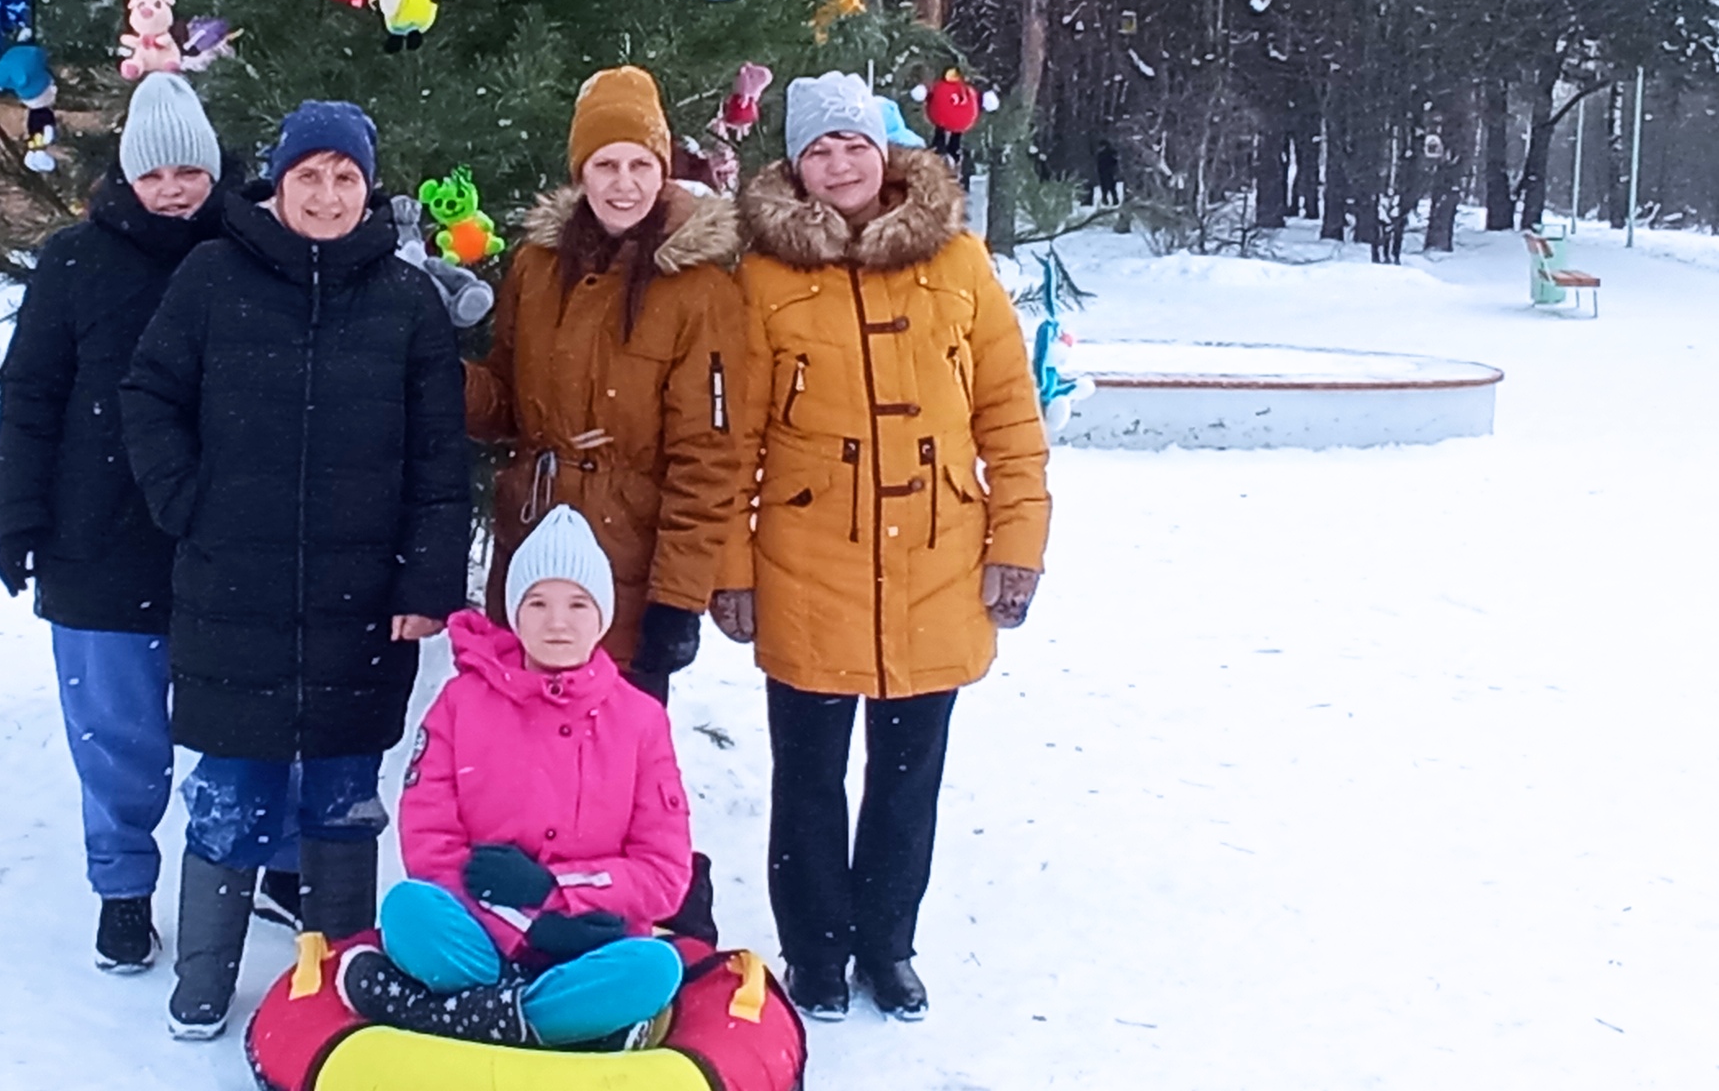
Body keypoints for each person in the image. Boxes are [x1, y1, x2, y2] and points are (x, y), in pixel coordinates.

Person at [122, 99, 474, 1039]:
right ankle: (204, 978)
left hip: (362, 602)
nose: (326, 195)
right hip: (232, 588)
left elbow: (441, 457)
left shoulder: (405, 301)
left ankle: (338, 978)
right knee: (230, 793)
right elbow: (149, 395)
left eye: (345, 178)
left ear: (369, 188)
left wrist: (425, 580)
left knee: (343, 799)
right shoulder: (212, 278)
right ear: (278, 184)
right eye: (309, 176)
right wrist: (187, 502)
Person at [716, 73, 1050, 1024]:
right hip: (806, 561)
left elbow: (1009, 414)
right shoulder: (761, 279)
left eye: (854, 144)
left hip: (939, 559)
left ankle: (889, 946)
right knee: (809, 779)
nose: (840, 164)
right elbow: (732, 440)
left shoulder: (961, 263)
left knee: (909, 781)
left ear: (885, 152)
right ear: (797, 169)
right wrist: (731, 567)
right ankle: (817, 952)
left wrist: (1018, 540)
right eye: (819, 150)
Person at [0, 73, 284, 975]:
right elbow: (31, 393)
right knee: (118, 736)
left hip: (225, 534)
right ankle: (122, 890)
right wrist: (15, 515)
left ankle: (273, 864)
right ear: (126, 176)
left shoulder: (254, 250)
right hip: (97, 537)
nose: (174, 190)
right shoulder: (76, 262)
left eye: (190, 172)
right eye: (155, 175)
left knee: (250, 720)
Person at [336, 507, 693, 1049]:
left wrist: (556, 892)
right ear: (515, 612)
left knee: (655, 969)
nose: (557, 623)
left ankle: (453, 1013)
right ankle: (549, 1023)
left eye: (577, 604)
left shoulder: (641, 720)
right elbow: (430, 844)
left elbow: (664, 873)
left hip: (591, 943)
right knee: (409, 911)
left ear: (602, 616)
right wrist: (521, 925)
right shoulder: (461, 703)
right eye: (538, 603)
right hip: (478, 932)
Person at [461, 66, 753, 706]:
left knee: (612, 753)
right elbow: (506, 401)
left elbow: (708, 459)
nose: (624, 184)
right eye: (606, 165)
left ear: (663, 170)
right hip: (531, 558)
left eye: (641, 165)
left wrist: (677, 600)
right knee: (519, 747)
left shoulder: (700, 290)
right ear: (580, 172)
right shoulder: (536, 268)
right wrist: (446, 378)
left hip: (627, 573)